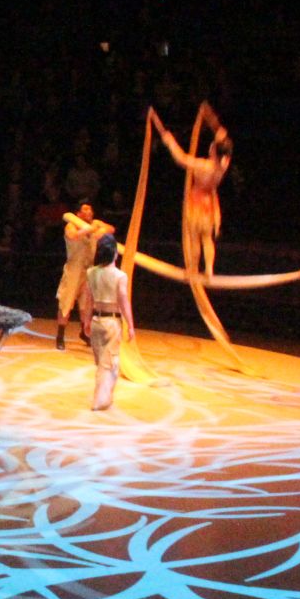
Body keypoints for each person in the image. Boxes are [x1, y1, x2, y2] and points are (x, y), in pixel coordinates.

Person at [149, 104, 232, 277]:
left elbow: (181, 158)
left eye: (212, 146)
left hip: (197, 200)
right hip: (210, 200)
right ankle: (209, 268)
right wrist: (209, 117)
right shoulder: (223, 166)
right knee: (207, 238)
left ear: (213, 151)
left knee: (195, 237)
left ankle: (194, 267)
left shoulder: (202, 165)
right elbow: (223, 138)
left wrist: (169, 140)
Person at [54, 202, 113, 350]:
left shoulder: (95, 223)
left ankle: (84, 333)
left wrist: (101, 230)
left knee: (86, 305)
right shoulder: (72, 225)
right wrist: (86, 230)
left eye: (91, 209)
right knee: (66, 303)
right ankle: (60, 336)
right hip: (74, 269)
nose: (89, 212)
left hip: (89, 270)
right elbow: (72, 236)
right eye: (85, 209)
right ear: (78, 213)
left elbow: (111, 229)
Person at [85, 232, 134, 411]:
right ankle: (100, 400)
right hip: (112, 322)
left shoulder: (91, 272)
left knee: (102, 363)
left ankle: (103, 397)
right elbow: (123, 300)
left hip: (97, 320)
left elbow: (88, 299)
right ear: (114, 253)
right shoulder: (120, 276)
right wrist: (130, 325)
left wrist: (86, 320)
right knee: (109, 364)